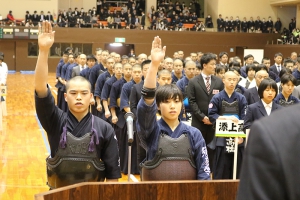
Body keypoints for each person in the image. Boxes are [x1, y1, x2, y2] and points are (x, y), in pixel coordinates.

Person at [34, 21, 121, 189]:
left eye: (84, 94)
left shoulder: (105, 129)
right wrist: (44, 51)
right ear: (65, 97)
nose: (79, 97)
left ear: (91, 98)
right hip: (58, 195)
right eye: (73, 93)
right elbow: (40, 88)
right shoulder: (55, 121)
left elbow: (112, 175)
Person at [136, 36, 210, 181]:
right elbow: (147, 101)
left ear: (182, 104)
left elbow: (204, 172)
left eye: (176, 101)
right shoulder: (151, 131)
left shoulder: (194, 134)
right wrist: (154, 65)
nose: (172, 105)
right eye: (167, 101)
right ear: (158, 105)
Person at [237, 98, 300, 200]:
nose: (270, 93)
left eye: (272, 90)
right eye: (267, 90)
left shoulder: (269, 125)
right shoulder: (256, 113)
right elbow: (247, 124)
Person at [186, 53, 224, 170]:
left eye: (215, 64)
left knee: (212, 148)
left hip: (213, 123)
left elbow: (221, 102)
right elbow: (192, 102)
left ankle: (211, 171)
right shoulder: (193, 82)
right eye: (212, 64)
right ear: (204, 65)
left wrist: (214, 118)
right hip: (198, 122)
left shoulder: (218, 82)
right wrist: (202, 117)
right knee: (198, 147)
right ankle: (197, 169)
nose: (214, 66)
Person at [208, 71, 248, 179]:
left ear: (237, 80)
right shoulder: (217, 97)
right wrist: (226, 118)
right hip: (222, 139)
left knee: (237, 170)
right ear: (223, 80)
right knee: (221, 170)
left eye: (234, 79)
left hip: (237, 138)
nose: (231, 82)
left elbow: (244, 118)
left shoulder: (241, 98)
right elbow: (212, 115)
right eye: (229, 79)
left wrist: (241, 135)